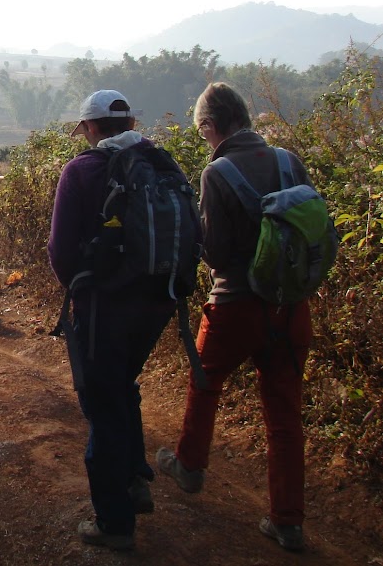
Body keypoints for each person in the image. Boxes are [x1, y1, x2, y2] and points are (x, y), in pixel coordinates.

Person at [156, 82, 313, 553]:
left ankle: (189, 465)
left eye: (202, 130)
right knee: (284, 414)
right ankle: (287, 522)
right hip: (290, 307)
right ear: (245, 116)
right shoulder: (288, 160)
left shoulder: (217, 171)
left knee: (205, 382)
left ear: (209, 126)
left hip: (235, 307)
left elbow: (219, 254)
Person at [48, 90, 184, 551]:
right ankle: (133, 478)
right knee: (123, 383)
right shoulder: (163, 162)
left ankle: (114, 522)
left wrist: (83, 287)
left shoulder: (83, 170)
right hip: (160, 302)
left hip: (105, 306)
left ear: (89, 127)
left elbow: (60, 251)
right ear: (130, 123)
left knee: (101, 399)